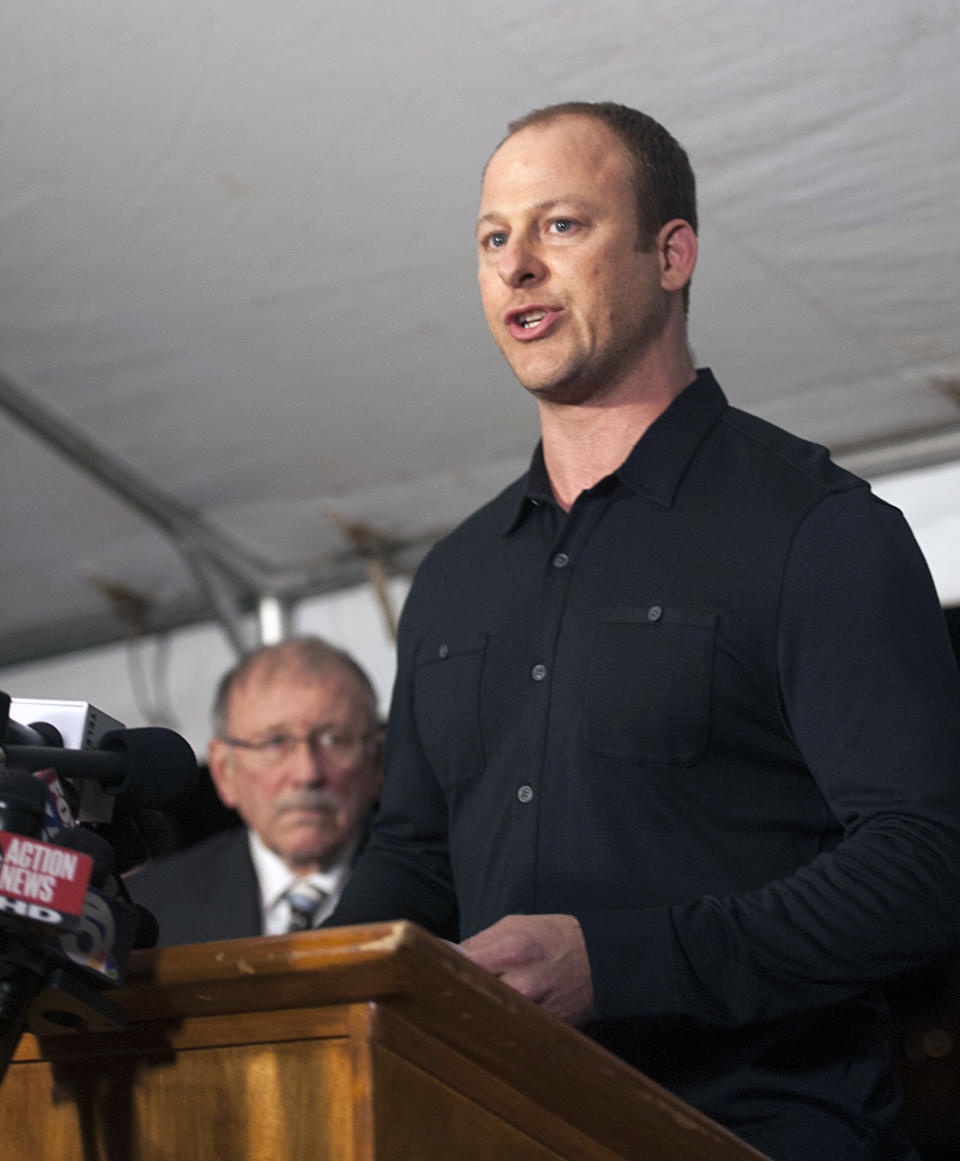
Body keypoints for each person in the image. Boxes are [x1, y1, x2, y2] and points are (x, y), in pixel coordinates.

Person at [326, 101, 960, 1158]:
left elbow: (926, 862)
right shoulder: (453, 577)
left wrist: (621, 963)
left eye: (560, 226)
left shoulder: (816, 531)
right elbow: (417, 854)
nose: (517, 266)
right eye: (494, 238)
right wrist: (318, 984)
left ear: (673, 255)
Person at [130, 636, 382, 945]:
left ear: (377, 762)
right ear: (225, 771)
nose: (307, 773)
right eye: (274, 742)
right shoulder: (144, 912)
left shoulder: (449, 898)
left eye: (334, 740)